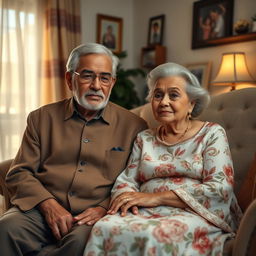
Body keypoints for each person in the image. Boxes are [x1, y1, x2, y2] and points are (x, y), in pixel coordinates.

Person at [0, 43, 147, 255]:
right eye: (87, 76)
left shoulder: (135, 126)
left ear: (112, 83)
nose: (97, 85)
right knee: (6, 229)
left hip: (93, 215)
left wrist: (104, 208)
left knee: (82, 244)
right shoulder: (41, 118)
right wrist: (48, 204)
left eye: (104, 78)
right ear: (70, 79)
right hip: (40, 209)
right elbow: (19, 172)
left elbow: (136, 181)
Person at [84, 62, 242, 256]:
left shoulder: (211, 133)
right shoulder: (145, 138)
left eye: (173, 95)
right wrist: (127, 200)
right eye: (158, 95)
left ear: (191, 103)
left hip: (195, 212)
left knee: (153, 233)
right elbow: (127, 180)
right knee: (104, 227)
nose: (163, 102)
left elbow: (220, 187)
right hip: (142, 210)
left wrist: (155, 198)